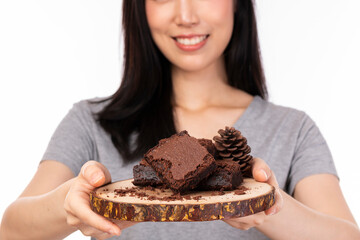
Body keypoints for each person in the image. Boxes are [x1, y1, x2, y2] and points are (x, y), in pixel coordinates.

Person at [1, 0, 359, 239]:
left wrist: (263, 201)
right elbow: (11, 229)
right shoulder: (90, 123)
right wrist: (68, 204)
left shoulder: (293, 129)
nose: (186, 15)